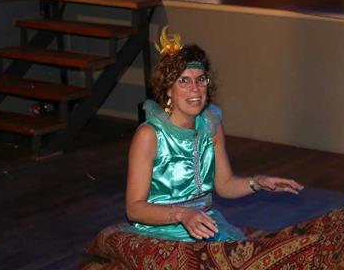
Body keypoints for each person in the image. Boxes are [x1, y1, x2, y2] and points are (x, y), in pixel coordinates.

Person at [125, 27, 303, 242]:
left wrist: (258, 182)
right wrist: (182, 215)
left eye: (200, 80)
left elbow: (224, 184)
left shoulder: (211, 124)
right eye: (184, 81)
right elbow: (134, 209)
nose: (195, 88)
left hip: (204, 224)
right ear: (168, 89)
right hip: (161, 233)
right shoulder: (150, 135)